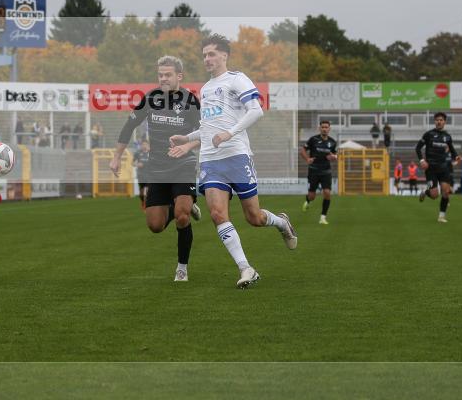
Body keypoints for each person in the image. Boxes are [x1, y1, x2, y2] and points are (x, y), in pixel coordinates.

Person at [170, 34, 296, 289]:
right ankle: (246, 268)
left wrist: (230, 133)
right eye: (204, 54)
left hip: (237, 156)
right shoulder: (205, 89)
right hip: (211, 161)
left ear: (224, 55)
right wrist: (188, 139)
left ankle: (282, 222)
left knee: (254, 217)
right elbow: (208, 127)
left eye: (212, 54)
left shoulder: (237, 79)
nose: (207, 58)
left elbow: (256, 111)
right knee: (217, 213)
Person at [110, 56, 202, 282]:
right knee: (155, 225)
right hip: (157, 168)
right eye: (160, 75)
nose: (163, 78)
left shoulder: (191, 101)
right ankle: (186, 205)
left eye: (168, 74)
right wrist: (116, 157)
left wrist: (188, 145)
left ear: (179, 76)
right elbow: (129, 125)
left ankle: (182, 268)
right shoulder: (150, 98)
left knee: (181, 217)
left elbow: (205, 132)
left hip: (184, 164)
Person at [415, 112, 462, 223]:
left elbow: (452, 149)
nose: (439, 121)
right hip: (430, 168)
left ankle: (441, 216)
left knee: (445, 192)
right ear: (434, 121)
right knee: (434, 195)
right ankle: (426, 192)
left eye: (441, 120)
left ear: (444, 122)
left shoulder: (447, 137)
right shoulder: (428, 134)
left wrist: (456, 156)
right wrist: (422, 160)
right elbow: (417, 148)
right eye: (437, 120)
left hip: (443, 168)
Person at [300, 120, 338, 224]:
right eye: (323, 127)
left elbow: (335, 155)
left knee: (327, 193)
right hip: (314, 171)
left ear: (329, 129)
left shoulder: (332, 142)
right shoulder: (313, 140)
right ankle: (308, 201)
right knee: (312, 195)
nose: (324, 129)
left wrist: (333, 157)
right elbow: (302, 150)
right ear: (319, 128)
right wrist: (307, 159)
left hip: (326, 171)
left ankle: (323, 217)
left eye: (326, 127)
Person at [132, 139, 151, 211]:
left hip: (149, 175)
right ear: (141, 145)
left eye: (145, 144)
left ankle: (148, 204)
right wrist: (137, 164)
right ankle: (143, 201)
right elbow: (132, 163)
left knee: (149, 189)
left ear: (148, 145)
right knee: (142, 191)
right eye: (143, 145)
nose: (144, 146)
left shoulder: (151, 153)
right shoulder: (137, 153)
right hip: (141, 174)